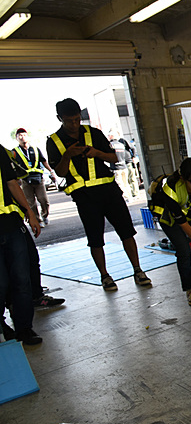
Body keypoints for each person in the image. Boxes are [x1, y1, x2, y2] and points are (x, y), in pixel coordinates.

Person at [45, 98, 152, 291]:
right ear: (60, 118)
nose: (74, 124)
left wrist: (97, 153)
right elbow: (60, 173)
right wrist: (68, 155)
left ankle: (138, 270)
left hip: (108, 190)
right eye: (69, 120)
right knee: (95, 238)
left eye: (77, 119)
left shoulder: (93, 133)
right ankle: (105, 276)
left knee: (126, 232)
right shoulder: (54, 142)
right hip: (84, 197)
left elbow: (114, 158)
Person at [149, 158, 191, 306]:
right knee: (184, 250)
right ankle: (190, 289)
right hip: (171, 219)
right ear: (184, 180)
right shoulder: (171, 189)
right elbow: (183, 225)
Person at [0, 143, 43, 346]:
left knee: (21, 279)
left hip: (10, 223)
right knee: (1, 283)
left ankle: (24, 328)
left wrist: (29, 211)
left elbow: (12, 183)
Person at [12, 128, 58, 226]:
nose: (22, 137)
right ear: (16, 138)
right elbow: (12, 166)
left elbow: (44, 161)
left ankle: (44, 215)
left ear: (27, 136)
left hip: (38, 179)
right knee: (30, 203)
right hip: (25, 181)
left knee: (44, 200)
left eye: (24, 135)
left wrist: (51, 171)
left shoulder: (35, 149)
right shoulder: (14, 152)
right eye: (19, 135)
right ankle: (38, 220)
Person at [109, 130, 135, 200]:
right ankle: (130, 196)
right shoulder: (121, 145)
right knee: (126, 183)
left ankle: (125, 197)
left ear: (111, 136)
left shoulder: (111, 145)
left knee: (120, 183)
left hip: (116, 168)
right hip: (124, 166)